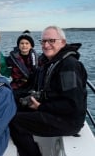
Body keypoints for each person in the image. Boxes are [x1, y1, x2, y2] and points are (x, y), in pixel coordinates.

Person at [9, 26, 88, 156]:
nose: (46, 45)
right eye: (43, 41)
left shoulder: (68, 66)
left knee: (14, 121)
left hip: (68, 121)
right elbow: (31, 87)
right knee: (11, 107)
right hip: (54, 110)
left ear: (62, 42)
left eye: (51, 41)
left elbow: (72, 105)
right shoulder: (50, 62)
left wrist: (41, 106)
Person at [6, 30, 38, 107]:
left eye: (27, 43)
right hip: (17, 86)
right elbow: (1, 66)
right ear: (18, 45)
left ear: (31, 46)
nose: (24, 45)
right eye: (22, 43)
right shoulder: (11, 59)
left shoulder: (37, 58)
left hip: (32, 86)